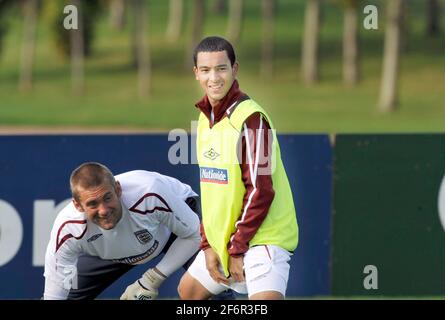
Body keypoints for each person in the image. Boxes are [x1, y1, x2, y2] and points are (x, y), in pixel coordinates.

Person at [177, 36, 299, 300]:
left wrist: (236, 249)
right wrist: (209, 244)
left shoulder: (252, 119)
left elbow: (261, 190)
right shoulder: (204, 117)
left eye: (221, 68)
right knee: (188, 292)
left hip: (262, 239)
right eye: (206, 70)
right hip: (227, 241)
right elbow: (210, 191)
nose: (214, 78)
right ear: (196, 73)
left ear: (235, 69)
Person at [43, 162, 202, 300]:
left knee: (212, 281)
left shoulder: (150, 193)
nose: (103, 210)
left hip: (174, 226)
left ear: (118, 189)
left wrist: (152, 279)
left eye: (107, 198)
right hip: (113, 250)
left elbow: (194, 235)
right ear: (78, 206)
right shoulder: (68, 228)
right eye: (93, 204)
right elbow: (55, 292)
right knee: (68, 293)